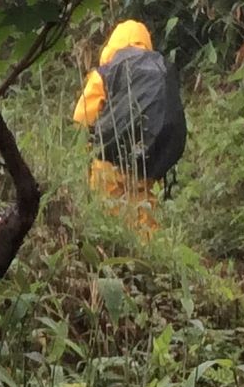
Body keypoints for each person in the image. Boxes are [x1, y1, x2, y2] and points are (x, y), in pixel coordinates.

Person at [72, 19, 184, 233]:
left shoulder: (107, 71)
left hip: (109, 159)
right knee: (143, 209)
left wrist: (86, 150)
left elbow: (82, 116)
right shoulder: (161, 68)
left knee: (108, 209)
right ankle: (147, 258)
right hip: (149, 158)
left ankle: (114, 253)